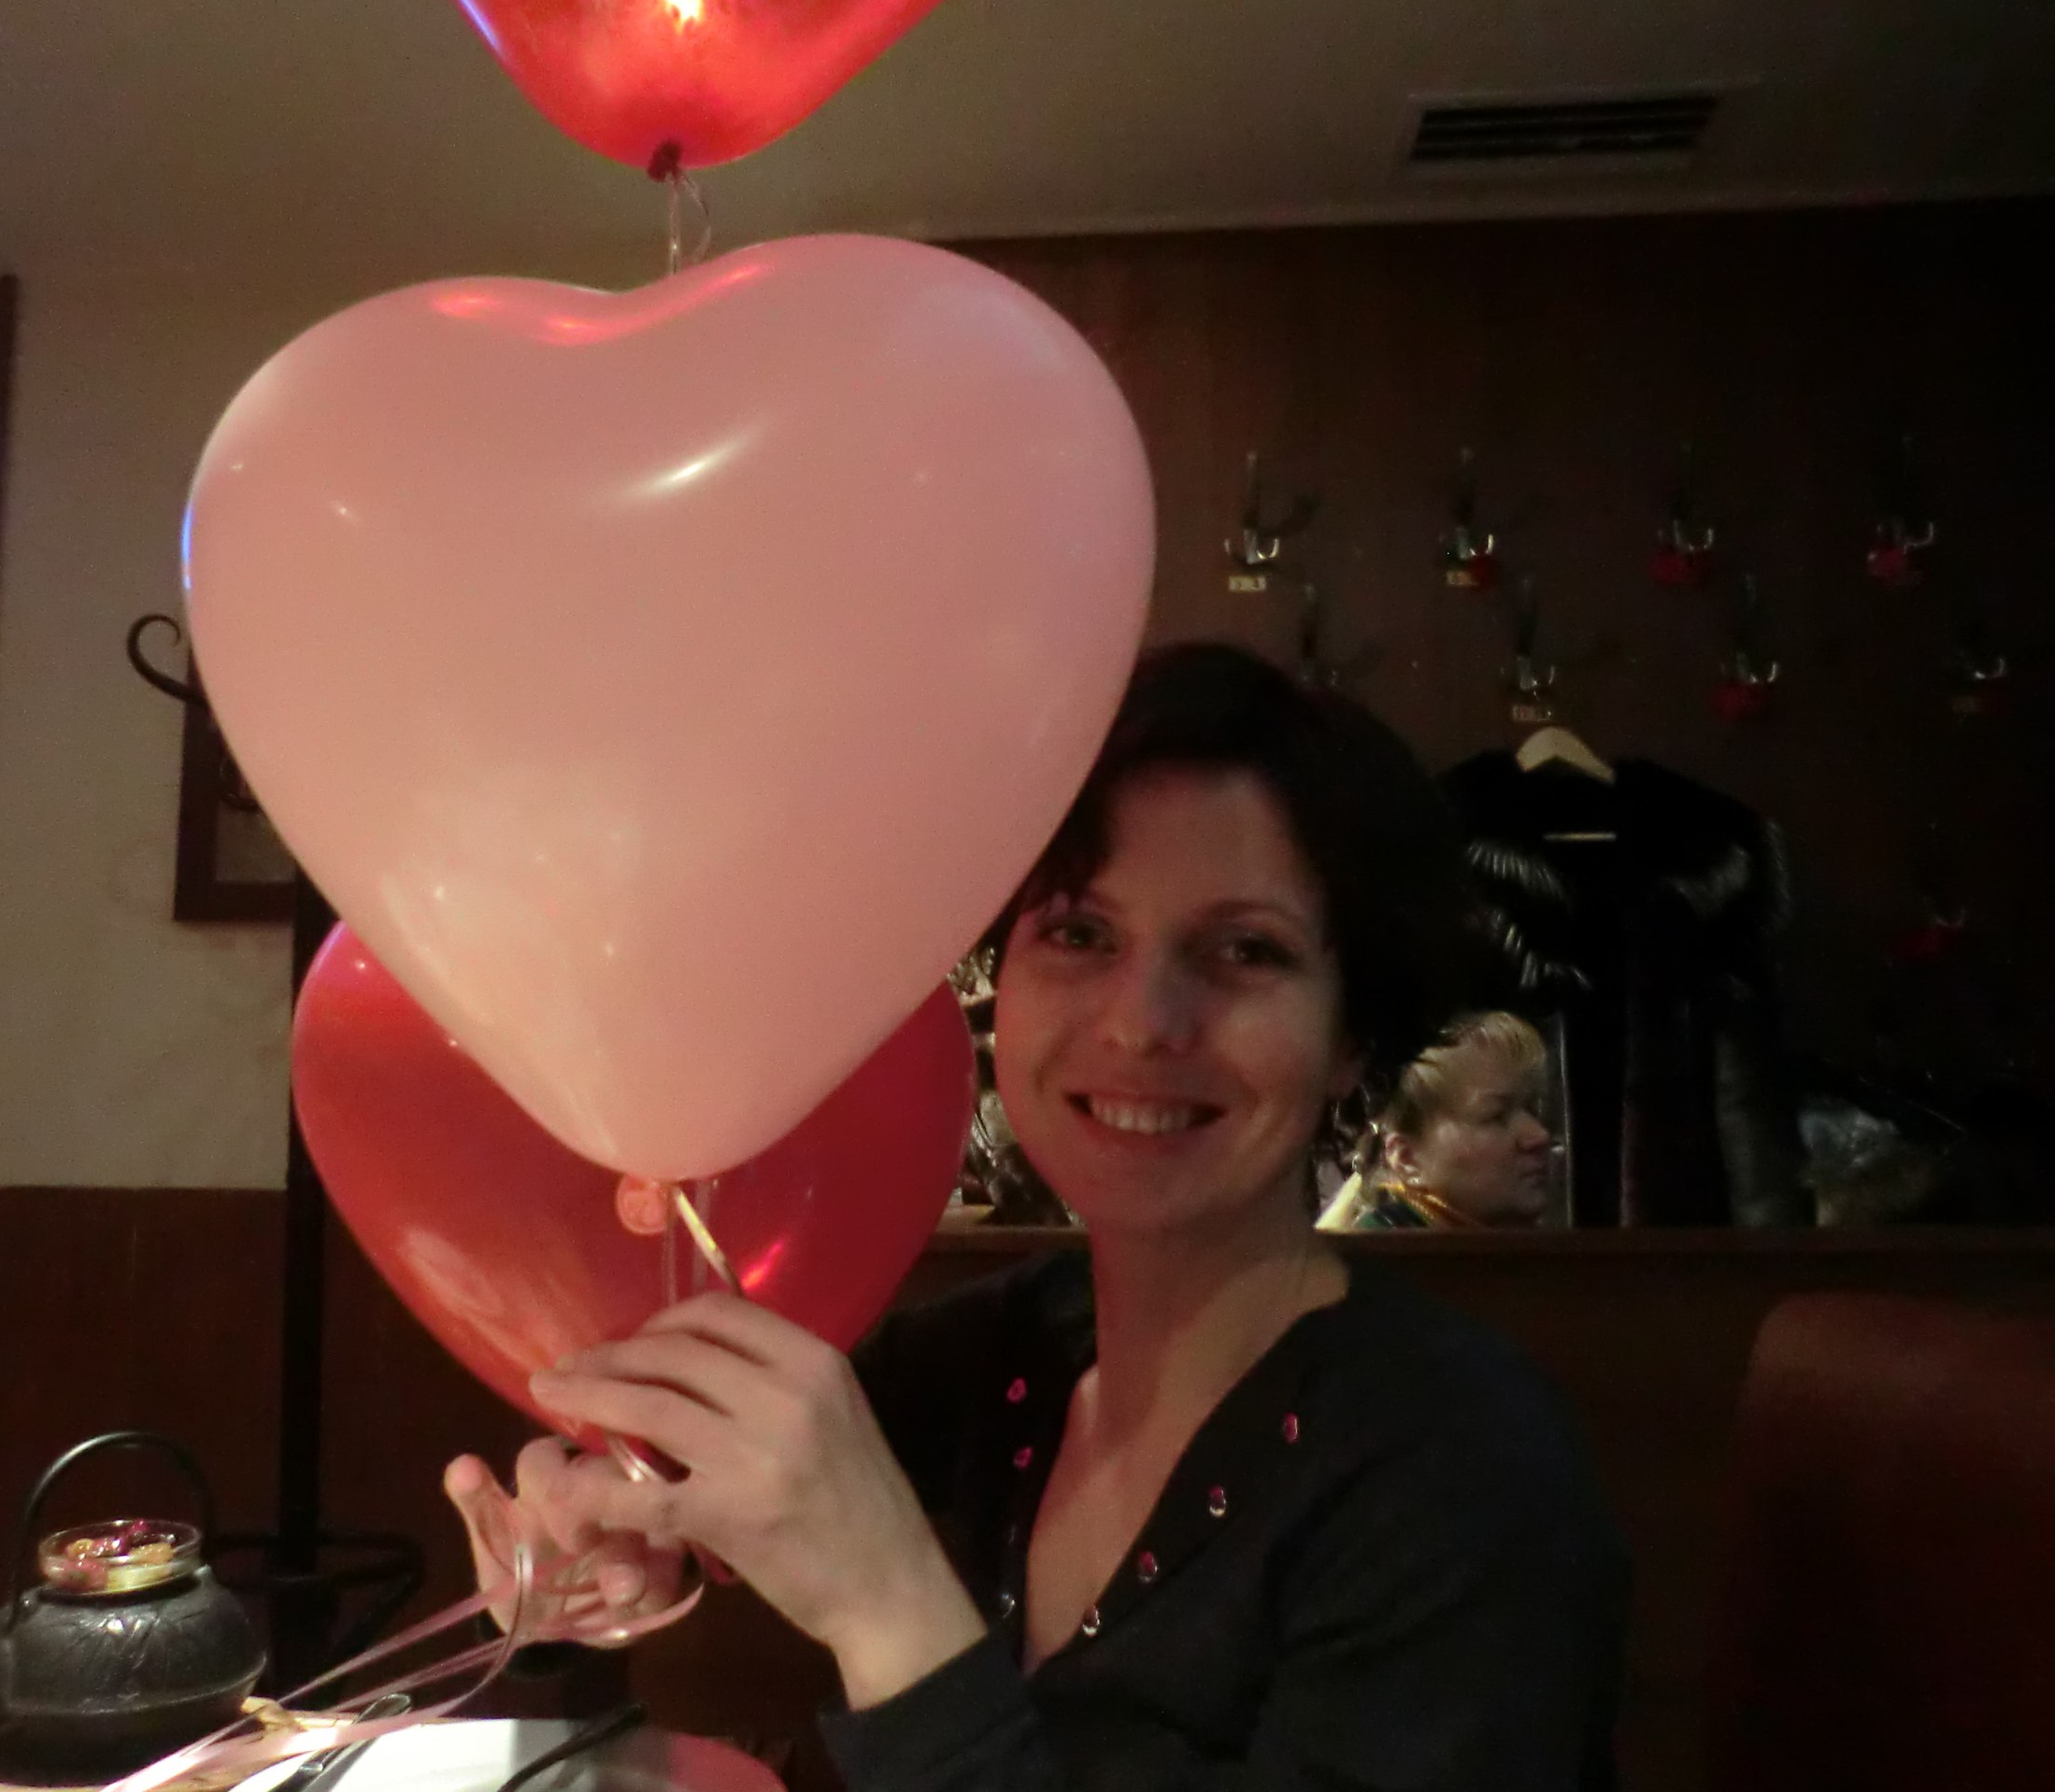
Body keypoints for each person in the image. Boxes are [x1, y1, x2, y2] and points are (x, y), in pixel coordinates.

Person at [446, 643, 1630, 1791]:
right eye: (1078, 933)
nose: (1140, 1022)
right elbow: (692, 1517)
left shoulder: (1468, 1474)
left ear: (1351, 1040)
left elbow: (882, 1613)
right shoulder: (1002, 1354)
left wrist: (889, 1606)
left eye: (1244, 951)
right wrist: (600, 1544)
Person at [1318, 1012, 1557, 1230]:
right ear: (1407, 1157)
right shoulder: (1382, 1256)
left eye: (1532, 1109)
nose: (1539, 1136)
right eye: (1497, 1117)